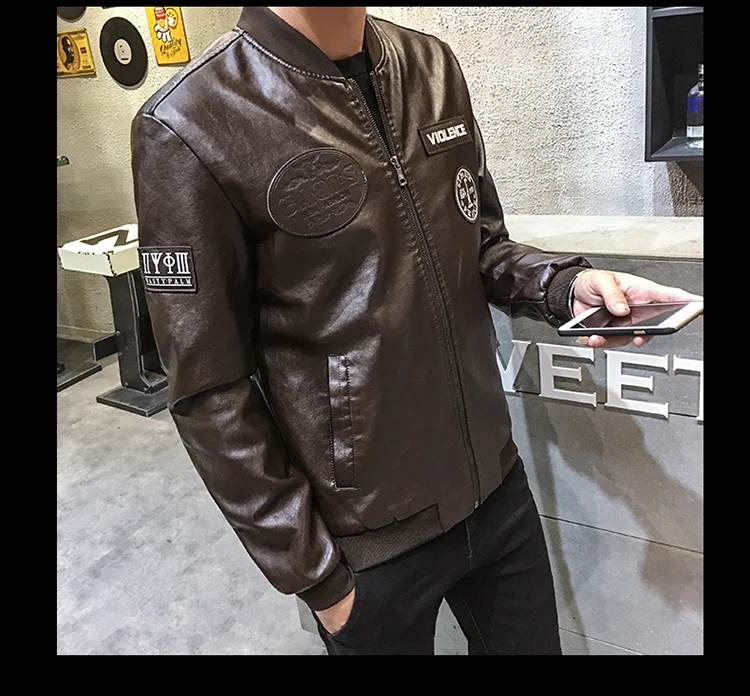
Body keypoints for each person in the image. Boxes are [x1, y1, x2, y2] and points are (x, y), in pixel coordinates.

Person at [131, 6, 699, 655]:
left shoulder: (430, 66)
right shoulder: (189, 121)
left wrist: (565, 286)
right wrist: (318, 578)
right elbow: (209, 390)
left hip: (495, 490)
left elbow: (481, 245)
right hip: (368, 548)